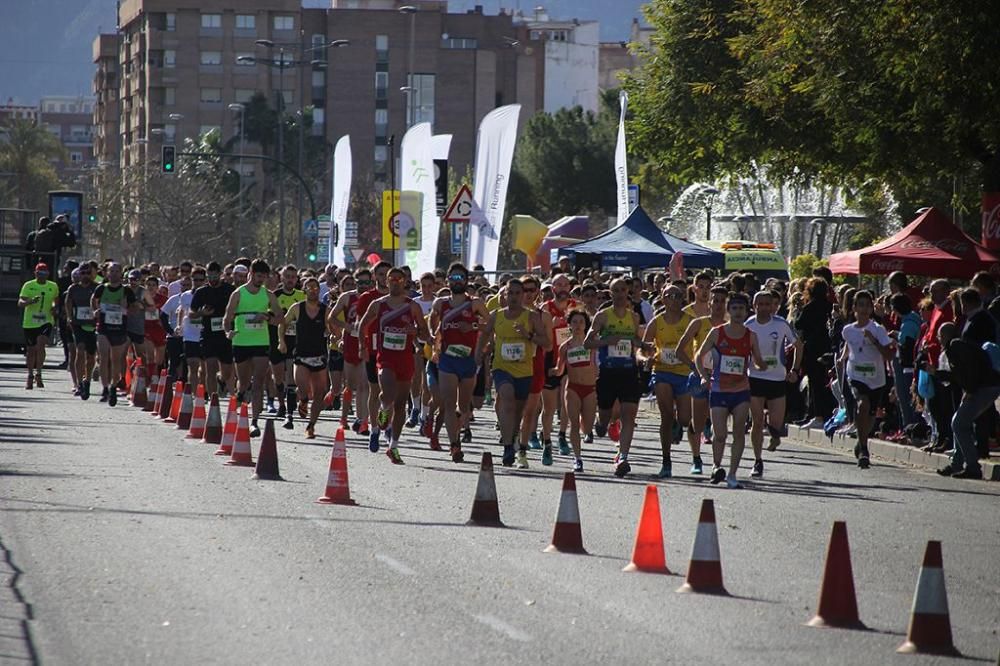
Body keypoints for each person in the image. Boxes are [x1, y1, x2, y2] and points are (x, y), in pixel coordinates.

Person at [356, 266, 433, 463]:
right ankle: (382, 410)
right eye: (392, 278)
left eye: (400, 279)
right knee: (387, 393)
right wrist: (362, 347)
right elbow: (362, 326)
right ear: (387, 281)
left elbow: (424, 332)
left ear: (405, 282)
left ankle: (393, 446)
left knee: (400, 405)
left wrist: (415, 332)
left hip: (405, 359)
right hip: (385, 357)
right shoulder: (378, 304)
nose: (396, 282)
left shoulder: (412, 306)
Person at [694, 292, 768, 488]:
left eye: (741, 309)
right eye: (734, 308)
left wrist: (763, 365)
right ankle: (716, 467)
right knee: (719, 435)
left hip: (741, 390)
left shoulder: (750, 336)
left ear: (746, 311)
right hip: (718, 389)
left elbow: (758, 361)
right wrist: (704, 375)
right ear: (728, 311)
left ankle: (733, 474)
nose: (737, 312)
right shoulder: (717, 332)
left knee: (738, 433)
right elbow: (699, 355)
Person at [476, 278, 547, 468]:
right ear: (504, 295)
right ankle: (508, 447)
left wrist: (528, 335)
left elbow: (546, 342)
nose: (514, 297)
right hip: (501, 367)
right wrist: (477, 354)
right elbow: (484, 335)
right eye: (510, 293)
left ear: (523, 295)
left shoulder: (532, 317)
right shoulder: (496, 315)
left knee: (518, 412)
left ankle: (513, 437)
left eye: (518, 293)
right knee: (506, 397)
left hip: (524, 370)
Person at [586, 277, 649, 478]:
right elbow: (588, 343)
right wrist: (606, 341)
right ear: (611, 293)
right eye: (616, 291)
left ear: (627, 293)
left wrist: (645, 347)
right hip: (608, 373)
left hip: (628, 371)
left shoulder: (634, 317)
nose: (621, 294)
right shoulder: (602, 316)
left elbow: (634, 341)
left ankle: (623, 456)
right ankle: (601, 422)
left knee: (629, 415)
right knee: (606, 418)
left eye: (624, 290)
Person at [429, 264, 490, 463]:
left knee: (463, 405)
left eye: (460, 277)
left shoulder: (475, 303)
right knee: (448, 402)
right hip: (447, 359)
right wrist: (434, 338)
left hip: (468, 359)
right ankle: (454, 444)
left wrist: (472, 325)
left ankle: (460, 424)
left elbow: (491, 325)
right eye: (453, 277)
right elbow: (433, 322)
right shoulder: (440, 303)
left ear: (466, 280)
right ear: (448, 280)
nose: (457, 281)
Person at [937, 289, 1000, 479]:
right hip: (980, 383)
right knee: (960, 422)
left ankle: (972, 465)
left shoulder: (975, 325)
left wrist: (970, 389)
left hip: (983, 384)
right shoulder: (972, 324)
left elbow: (972, 365)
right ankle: (958, 462)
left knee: (959, 422)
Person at [745, 289, 802, 476]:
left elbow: (798, 345)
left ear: (773, 306)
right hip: (755, 378)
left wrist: (794, 370)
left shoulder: (781, 324)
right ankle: (757, 461)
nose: (763, 308)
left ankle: (776, 436)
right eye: (759, 304)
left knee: (776, 426)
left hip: (777, 379)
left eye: (767, 304)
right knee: (757, 421)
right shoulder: (748, 325)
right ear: (754, 306)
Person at [224, 258, 282, 437]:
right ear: (251, 274)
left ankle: (254, 422)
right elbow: (227, 319)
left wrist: (267, 317)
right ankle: (240, 405)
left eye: (264, 277)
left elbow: (280, 317)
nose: (261, 280)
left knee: (258, 383)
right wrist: (228, 332)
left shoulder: (268, 295)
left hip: (261, 342)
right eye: (258, 276)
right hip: (241, 342)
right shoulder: (238, 294)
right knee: (244, 383)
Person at [641, 283, 694, 478]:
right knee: (666, 416)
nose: (673, 299)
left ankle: (678, 425)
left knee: (685, 419)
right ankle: (666, 461)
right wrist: (645, 358)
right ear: (662, 299)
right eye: (669, 295)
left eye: (677, 295)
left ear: (683, 299)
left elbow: (702, 344)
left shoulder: (690, 321)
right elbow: (643, 348)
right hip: (662, 370)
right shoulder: (656, 322)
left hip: (684, 373)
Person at [676, 285, 729, 474]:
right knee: (697, 422)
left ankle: (717, 463)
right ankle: (696, 458)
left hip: (722, 380)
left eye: (722, 301)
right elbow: (679, 350)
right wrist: (694, 366)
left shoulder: (729, 327)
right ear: (709, 303)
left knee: (718, 422)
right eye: (715, 300)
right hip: (700, 377)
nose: (718, 305)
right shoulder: (698, 323)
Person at [839, 290, 894, 469]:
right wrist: (842, 357)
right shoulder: (848, 330)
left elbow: (888, 356)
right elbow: (850, 345)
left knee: (870, 416)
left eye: (867, 305)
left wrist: (874, 341)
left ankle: (861, 440)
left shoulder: (877, 329)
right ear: (854, 308)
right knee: (863, 405)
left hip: (876, 378)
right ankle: (864, 448)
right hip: (855, 374)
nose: (863, 309)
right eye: (860, 305)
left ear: (871, 308)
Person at [279, 277, 328, 439]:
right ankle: (303, 400)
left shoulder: (324, 309)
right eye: (310, 287)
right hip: (301, 355)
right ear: (304, 289)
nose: (313, 290)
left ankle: (311, 425)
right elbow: (283, 323)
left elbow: (333, 328)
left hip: (319, 356)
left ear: (319, 291)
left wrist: (337, 338)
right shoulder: (297, 308)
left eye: (316, 288)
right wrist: (282, 342)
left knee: (319, 394)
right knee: (302, 387)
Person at [328, 269, 373, 436]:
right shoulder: (347, 297)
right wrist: (346, 327)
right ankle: (346, 416)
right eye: (359, 282)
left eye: (365, 282)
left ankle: (363, 421)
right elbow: (331, 317)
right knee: (350, 385)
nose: (362, 286)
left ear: (371, 282)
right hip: (350, 343)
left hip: (366, 344)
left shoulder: (374, 298)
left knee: (364, 384)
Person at [539, 273, 576, 463]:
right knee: (550, 406)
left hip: (570, 359)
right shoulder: (545, 309)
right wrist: (549, 327)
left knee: (567, 401)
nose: (562, 288)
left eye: (565, 284)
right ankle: (546, 442)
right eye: (558, 284)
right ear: (553, 288)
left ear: (569, 287)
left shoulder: (576, 308)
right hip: (550, 359)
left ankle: (562, 436)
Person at [554, 310, 597, 472]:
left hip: (590, 388)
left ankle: (588, 427)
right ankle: (577, 458)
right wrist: (554, 372)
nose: (578, 325)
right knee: (573, 424)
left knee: (587, 428)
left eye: (581, 322)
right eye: (574, 322)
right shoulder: (565, 347)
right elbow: (560, 370)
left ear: (586, 325)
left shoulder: (593, 343)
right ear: (569, 325)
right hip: (572, 388)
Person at [91, 263, 139, 405]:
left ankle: (113, 386)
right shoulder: (101, 288)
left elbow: (135, 308)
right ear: (107, 273)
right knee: (103, 358)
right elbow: (94, 300)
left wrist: (126, 309)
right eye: (111, 271)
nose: (114, 274)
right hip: (103, 328)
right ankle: (105, 388)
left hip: (119, 329)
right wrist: (95, 310)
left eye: (117, 271)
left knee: (116, 360)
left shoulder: (126, 291)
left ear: (121, 274)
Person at [355, 261, 391, 451]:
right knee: (375, 391)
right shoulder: (367, 298)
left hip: (393, 351)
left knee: (390, 392)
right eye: (381, 274)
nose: (384, 277)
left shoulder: (400, 299)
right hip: (373, 349)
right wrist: (363, 346)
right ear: (374, 277)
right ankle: (374, 429)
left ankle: (387, 422)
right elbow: (360, 324)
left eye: (388, 274)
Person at [190, 261, 235, 397]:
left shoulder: (230, 290)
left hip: (225, 334)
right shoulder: (201, 292)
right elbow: (191, 315)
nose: (212, 279)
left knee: (227, 371)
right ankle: (213, 400)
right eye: (210, 277)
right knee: (210, 367)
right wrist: (201, 313)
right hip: (208, 334)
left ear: (220, 275)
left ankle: (221, 379)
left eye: (215, 276)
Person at [270, 265, 305, 428]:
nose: (290, 279)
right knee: (278, 378)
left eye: (293, 277)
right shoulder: (275, 296)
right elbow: (271, 318)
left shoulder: (302, 296)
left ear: (297, 279)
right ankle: (281, 403)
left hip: (295, 341)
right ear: (281, 278)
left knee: (291, 377)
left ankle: (289, 411)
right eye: (287, 276)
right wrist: (281, 321)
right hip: (276, 340)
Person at [18, 263, 60, 390]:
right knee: (31, 350)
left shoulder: (53, 286)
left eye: (44, 273)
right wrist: (30, 301)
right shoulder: (28, 285)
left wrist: (54, 308)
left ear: (48, 274)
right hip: (30, 322)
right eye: (39, 273)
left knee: (41, 343)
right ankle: (30, 375)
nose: (42, 275)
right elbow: (20, 302)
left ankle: (39, 373)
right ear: (35, 273)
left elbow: (56, 301)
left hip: (46, 320)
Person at [64, 264, 98, 399]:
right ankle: (79, 384)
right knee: (80, 350)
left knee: (91, 356)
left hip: (93, 324)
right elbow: (68, 302)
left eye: (88, 273)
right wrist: (69, 317)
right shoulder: (74, 288)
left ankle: (87, 380)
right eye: (83, 273)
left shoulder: (96, 287)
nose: (85, 275)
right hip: (78, 324)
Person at [177, 266, 207, 388]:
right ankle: (195, 395)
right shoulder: (185, 296)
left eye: (200, 280)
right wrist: (179, 326)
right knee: (192, 366)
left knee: (204, 369)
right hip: (190, 335)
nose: (198, 283)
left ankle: (203, 390)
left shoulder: (209, 294)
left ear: (205, 280)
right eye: (195, 280)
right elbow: (182, 311)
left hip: (205, 334)